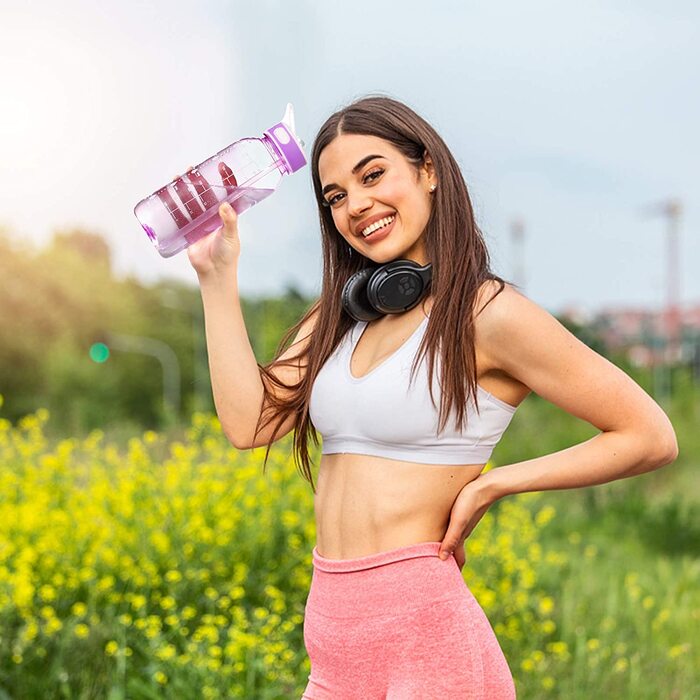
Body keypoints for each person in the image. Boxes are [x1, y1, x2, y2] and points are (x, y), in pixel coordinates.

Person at [187, 95, 678, 699]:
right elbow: (249, 423)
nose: (356, 204)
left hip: (426, 637)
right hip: (335, 640)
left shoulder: (488, 314)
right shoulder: (340, 315)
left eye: (372, 175)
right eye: (336, 196)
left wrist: (495, 483)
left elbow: (649, 434)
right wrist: (217, 278)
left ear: (428, 170)